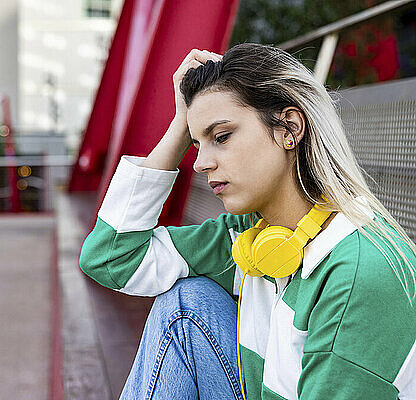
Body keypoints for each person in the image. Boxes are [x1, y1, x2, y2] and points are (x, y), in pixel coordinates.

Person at [79, 43, 416, 399]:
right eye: (197, 144)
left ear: (289, 128)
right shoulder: (251, 241)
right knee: (185, 303)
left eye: (221, 137)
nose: (200, 163)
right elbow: (110, 258)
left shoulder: (359, 273)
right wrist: (182, 123)